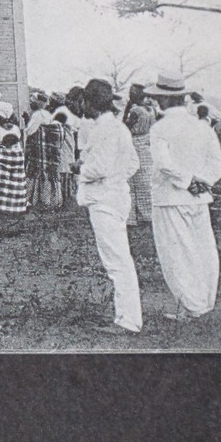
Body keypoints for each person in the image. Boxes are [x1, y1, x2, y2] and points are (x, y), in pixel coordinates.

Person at [146, 71, 221, 322]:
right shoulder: (201, 126)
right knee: (203, 249)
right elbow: (219, 164)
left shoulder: (160, 128)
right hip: (198, 198)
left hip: (172, 197)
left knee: (177, 253)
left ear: (163, 101)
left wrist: (188, 181)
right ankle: (203, 301)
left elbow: (163, 163)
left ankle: (191, 306)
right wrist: (202, 181)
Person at [77, 78, 143, 334]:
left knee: (117, 261)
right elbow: (132, 164)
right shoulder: (118, 128)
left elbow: (100, 168)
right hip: (115, 196)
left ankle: (128, 320)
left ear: (90, 102)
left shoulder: (104, 129)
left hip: (105, 199)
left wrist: (80, 169)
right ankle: (126, 316)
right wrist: (116, 178)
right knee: (119, 259)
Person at [122, 84, 156, 225]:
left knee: (133, 179)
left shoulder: (135, 110)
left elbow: (125, 125)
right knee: (146, 179)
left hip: (135, 143)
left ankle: (133, 215)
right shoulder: (151, 109)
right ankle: (147, 214)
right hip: (147, 143)